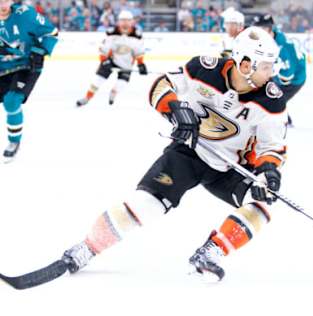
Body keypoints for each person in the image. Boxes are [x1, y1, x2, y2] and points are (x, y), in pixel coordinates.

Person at [61, 26, 287, 281]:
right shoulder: (204, 68)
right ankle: (88, 247)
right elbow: (160, 85)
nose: (271, 73)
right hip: (188, 152)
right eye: (266, 66)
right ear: (246, 65)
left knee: (264, 204)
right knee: (147, 204)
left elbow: (273, 147)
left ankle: (212, 252)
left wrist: (269, 171)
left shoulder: (272, 100)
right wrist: (174, 108)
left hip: (231, 168)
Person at [0, 0, 58, 162]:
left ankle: (14, 142)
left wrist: (39, 51)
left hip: (26, 66)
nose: (2, 4)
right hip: (3, 67)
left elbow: (51, 33)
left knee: (11, 101)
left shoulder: (25, 14)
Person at [76, 10, 147, 107]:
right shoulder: (111, 32)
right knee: (98, 80)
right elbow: (103, 49)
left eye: (127, 21)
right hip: (110, 61)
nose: (125, 23)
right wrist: (104, 61)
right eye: (122, 20)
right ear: (118, 22)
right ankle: (87, 98)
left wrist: (141, 64)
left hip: (126, 64)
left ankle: (113, 93)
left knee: (121, 84)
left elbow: (139, 52)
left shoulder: (137, 35)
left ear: (132, 22)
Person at [253, 14, 306, 127]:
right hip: (283, 72)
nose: (260, 32)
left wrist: (271, 72)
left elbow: (287, 75)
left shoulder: (281, 47)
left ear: (270, 29)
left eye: (263, 29)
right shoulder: (271, 37)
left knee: (273, 98)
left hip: (295, 78)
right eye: (258, 29)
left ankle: (284, 121)